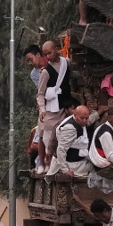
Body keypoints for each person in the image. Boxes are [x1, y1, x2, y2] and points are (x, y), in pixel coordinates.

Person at [37, 40, 72, 175]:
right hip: (51, 110)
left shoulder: (66, 63)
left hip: (64, 107)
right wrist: (42, 109)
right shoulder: (46, 72)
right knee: (48, 139)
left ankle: (60, 165)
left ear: (57, 49)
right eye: (45, 54)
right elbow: (40, 94)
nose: (48, 57)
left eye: (49, 53)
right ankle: (48, 165)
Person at [52, 105, 93, 178]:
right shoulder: (70, 128)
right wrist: (65, 170)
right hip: (71, 164)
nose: (84, 121)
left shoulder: (80, 122)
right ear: (75, 115)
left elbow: (90, 119)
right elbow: (61, 149)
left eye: (86, 118)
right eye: (82, 118)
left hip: (79, 161)